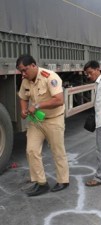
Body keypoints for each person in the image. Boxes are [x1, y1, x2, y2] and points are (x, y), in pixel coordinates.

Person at [17, 54, 69, 196]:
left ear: (34, 65)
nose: (23, 73)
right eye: (21, 71)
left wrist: (38, 105)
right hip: (36, 121)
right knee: (31, 150)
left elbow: (59, 100)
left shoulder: (50, 77)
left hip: (54, 119)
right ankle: (41, 183)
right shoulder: (26, 80)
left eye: (25, 70)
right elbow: (22, 96)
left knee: (57, 151)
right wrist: (23, 109)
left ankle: (63, 180)